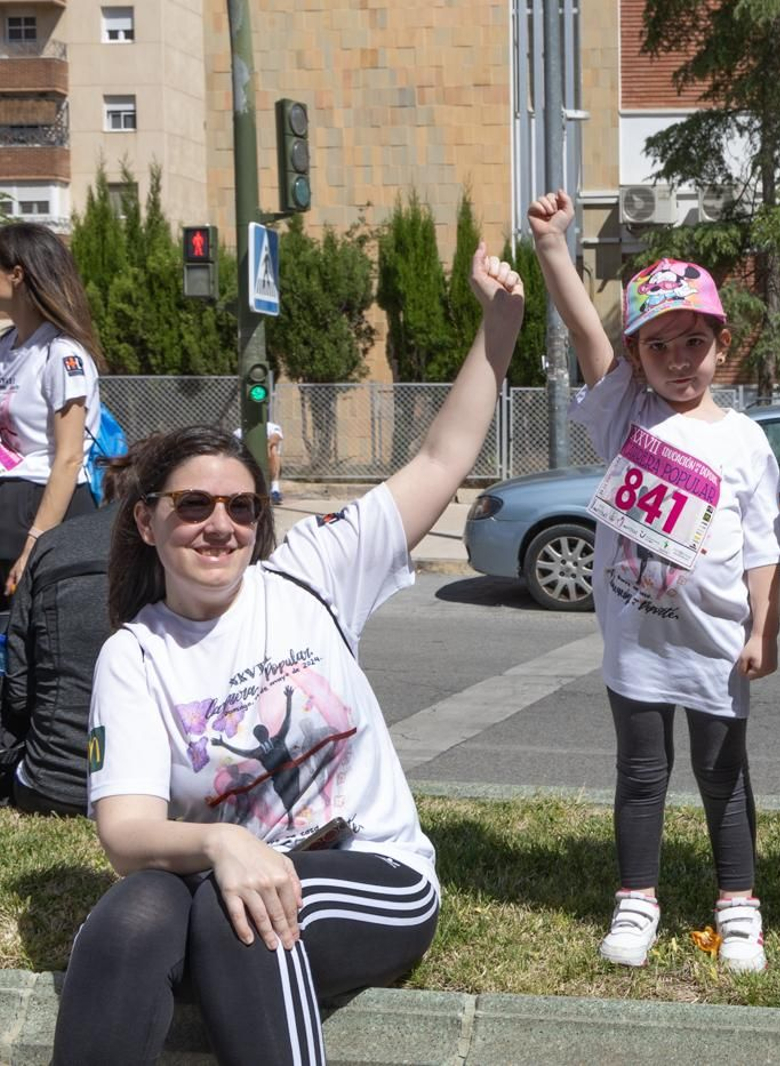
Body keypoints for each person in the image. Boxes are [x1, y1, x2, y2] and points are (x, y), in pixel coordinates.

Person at [51, 245, 525, 1066]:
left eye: (240, 505)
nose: (219, 524)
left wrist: (500, 322)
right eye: (192, 504)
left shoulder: (311, 574)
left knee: (235, 913)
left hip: (372, 875)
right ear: (146, 522)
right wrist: (223, 845)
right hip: (220, 883)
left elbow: (442, 458)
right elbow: (126, 833)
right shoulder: (136, 655)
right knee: (134, 916)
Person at [527, 191, 780, 974]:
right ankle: (636, 900)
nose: (680, 360)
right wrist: (552, 245)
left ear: (722, 345)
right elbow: (581, 329)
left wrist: (764, 628)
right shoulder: (624, 415)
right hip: (637, 641)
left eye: (695, 342)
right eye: (660, 346)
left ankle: (739, 906)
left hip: (714, 641)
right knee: (641, 774)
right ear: (636, 355)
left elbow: (762, 543)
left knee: (722, 777)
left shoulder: (745, 440)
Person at [0, 445, 141, 816]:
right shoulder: (184, 557)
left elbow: (18, 681)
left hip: (49, 783)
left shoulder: (52, 544)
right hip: (149, 792)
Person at [0, 222, 103, 603]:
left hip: (43, 512)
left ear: (17, 274)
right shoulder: (7, 346)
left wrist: (35, 542)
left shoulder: (62, 353)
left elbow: (69, 456)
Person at [234, 419, 285, 503]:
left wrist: (267, 447)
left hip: (268, 459)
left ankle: (275, 490)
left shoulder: (271, 427)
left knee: (274, 449)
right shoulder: (239, 431)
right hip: (249, 460)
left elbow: (276, 438)